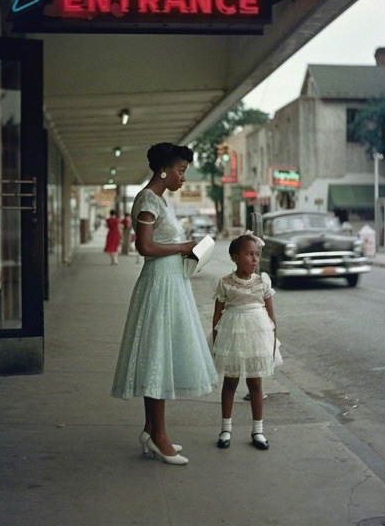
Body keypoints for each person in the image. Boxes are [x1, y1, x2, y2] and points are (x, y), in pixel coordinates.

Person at [111, 142, 218, 465]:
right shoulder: (147, 199)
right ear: (164, 170)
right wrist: (184, 245)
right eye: (181, 171)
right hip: (159, 283)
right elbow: (143, 247)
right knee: (157, 356)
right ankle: (159, 436)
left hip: (172, 282)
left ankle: (150, 429)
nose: (183, 178)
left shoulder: (159, 201)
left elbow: (159, 241)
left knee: (162, 355)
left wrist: (187, 250)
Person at [211, 233, 282, 451]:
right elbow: (217, 316)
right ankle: (225, 428)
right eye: (249, 254)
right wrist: (216, 344)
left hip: (257, 336)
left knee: (256, 383)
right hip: (233, 335)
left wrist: (272, 343)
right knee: (230, 382)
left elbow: (271, 317)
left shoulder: (262, 282)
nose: (254, 260)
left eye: (256, 255)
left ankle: (258, 430)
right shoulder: (225, 283)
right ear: (235, 257)